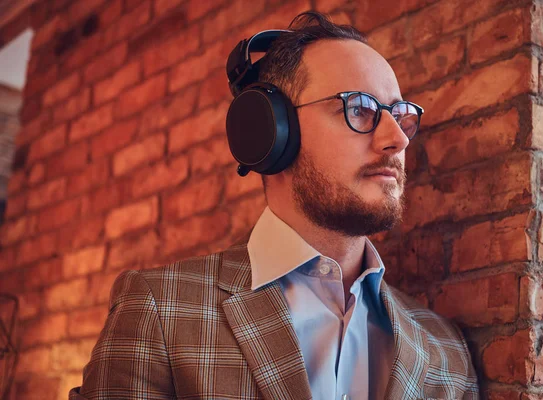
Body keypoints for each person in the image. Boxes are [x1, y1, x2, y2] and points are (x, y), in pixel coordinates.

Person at [70, 11, 479, 400]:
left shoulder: (447, 350)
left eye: (400, 115)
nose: (398, 139)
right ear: (271, 132)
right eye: (359, 109)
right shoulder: (158, 310)